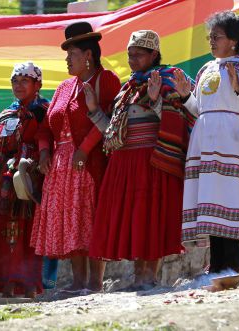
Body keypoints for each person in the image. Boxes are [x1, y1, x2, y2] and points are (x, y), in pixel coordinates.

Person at [88, 30, 195, 291]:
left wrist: (158, 100)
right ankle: (139, 278)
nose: (132, 60)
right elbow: (113, 133)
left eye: (138, 55)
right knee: (134, 218)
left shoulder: (169, 79)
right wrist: (93, 110)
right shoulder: (128, 89)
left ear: (154, 55)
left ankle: (150, 277)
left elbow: (183, 120)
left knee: (152, 216)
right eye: (129, 55)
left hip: (153, 161)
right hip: (124, 163)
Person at [174, 11, 239, 273]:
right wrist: (185, 97)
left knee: (232, 200)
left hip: (235, 141)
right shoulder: (206, 69)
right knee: (210, 200)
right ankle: (216, 268)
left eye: (216, 36)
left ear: (233, 40)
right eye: (210, 36)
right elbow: (201, 108)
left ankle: (233, 266)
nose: (211, 41)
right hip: (206, 141)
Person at [32, 22, 121, 294]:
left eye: (72, 54)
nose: (67, 59)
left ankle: (95, 283)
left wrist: (84, 149)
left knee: (91, 220)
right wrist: (45, 151)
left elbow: (108, 118)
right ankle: (79, 281)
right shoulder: (63, 87)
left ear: (88, 56)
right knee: (72, 225)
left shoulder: (106, 80)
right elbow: (45, 127)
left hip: (90, 163)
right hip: (62, 166)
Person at [0, 62, 49, 298]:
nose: (18, 85)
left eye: (24, 81)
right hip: (6, 184)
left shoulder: (45, 112)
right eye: (14, 81)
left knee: (28, 232)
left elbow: (47, 142)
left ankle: (29, 287)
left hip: (30, 181)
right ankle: (6, 286)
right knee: (3, 231)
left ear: (37, 85)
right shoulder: (7, 114)